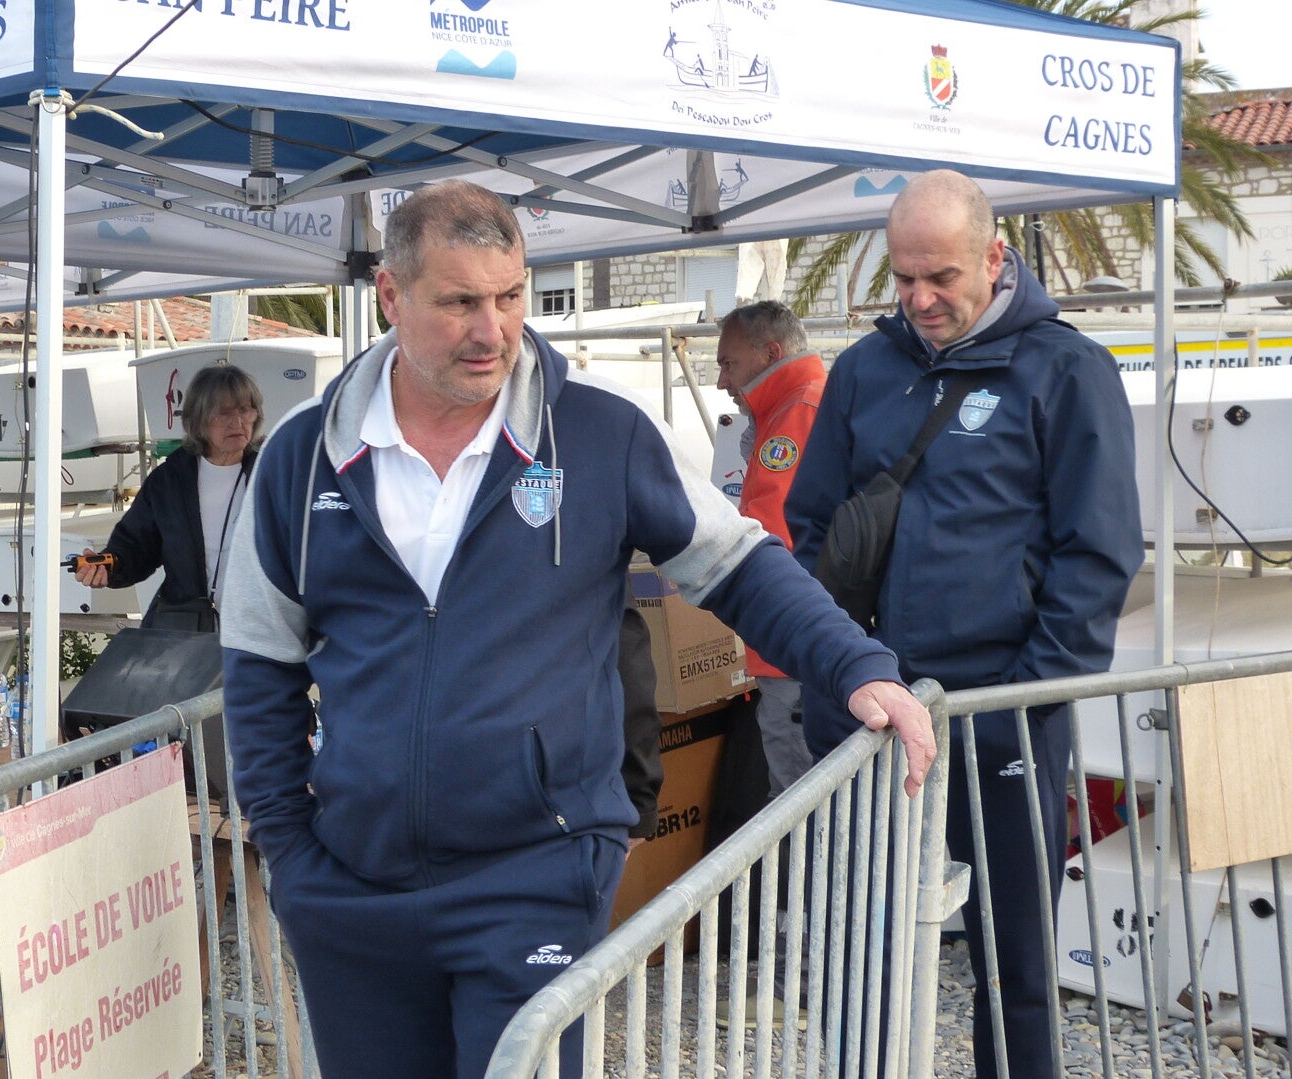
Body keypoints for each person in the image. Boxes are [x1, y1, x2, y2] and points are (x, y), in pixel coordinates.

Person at [219, 179, 937, 1079]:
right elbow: (258, 661)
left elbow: (738, 564)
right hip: (352, 898)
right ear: (391, 297)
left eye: (511, 296)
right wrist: (292, 857)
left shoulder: (600, 427)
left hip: (536, 880)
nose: (492, 330)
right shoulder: (302, 451)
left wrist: (857, 664)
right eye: (460, 302)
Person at [785, 170, 1142, 1079]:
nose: (919, 299)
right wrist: (846, 674)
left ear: (994, 257)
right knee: (865, 944)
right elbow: (814, 526)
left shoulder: (1067, 370)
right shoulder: (863, 371)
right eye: (903, 277)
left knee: (1013, 956)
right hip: (879, 710)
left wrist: (1023, 699)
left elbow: (1097, 554)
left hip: (1003, 713)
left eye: (940, 276)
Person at [715, 300, 826, 797]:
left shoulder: (798, 410)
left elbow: (769, 536)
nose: (722, 381)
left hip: (792, 646)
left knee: (800, 798)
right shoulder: (801, 405)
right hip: (802, 641)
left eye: (729, 363)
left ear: (772, 353)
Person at [73, 364, 261, 631]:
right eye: (224, 412)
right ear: (199, 420)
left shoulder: (273, 475)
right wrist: (108, 568)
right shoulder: (169, 481)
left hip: (258, 632)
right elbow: (135, 547)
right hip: (186, 633)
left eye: (245, 410)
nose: (237, 422)